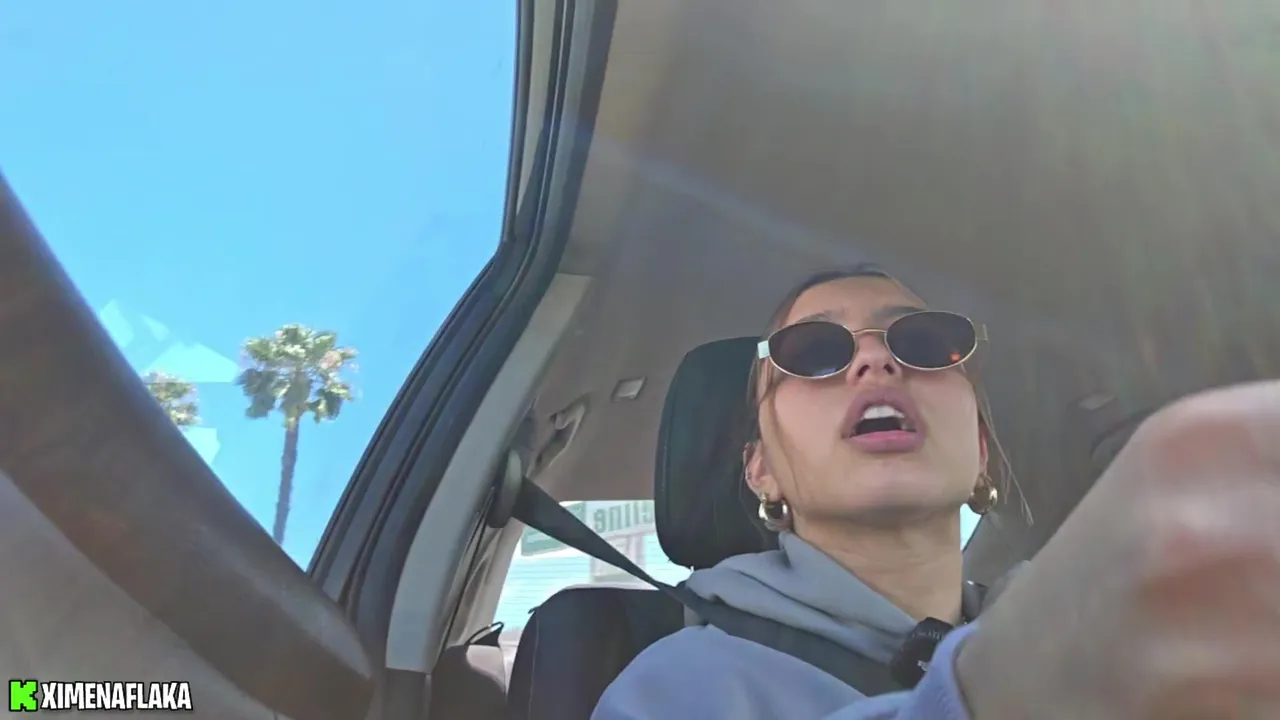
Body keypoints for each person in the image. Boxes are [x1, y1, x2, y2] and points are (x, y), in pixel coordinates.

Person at [593, 264, 1280, 719]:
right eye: (814, 353)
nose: (875, 359)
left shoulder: (1113, 638)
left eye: (924, 342)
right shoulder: (675, 690)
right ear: (760, 469)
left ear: (980, 452)